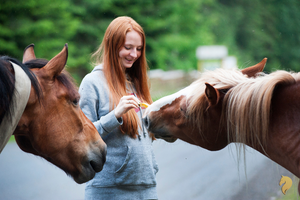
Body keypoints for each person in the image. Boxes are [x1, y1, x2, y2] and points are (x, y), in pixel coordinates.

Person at [79, 16, 159, 200]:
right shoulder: (92, 83)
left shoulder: (135, 83)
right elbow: (82, 139)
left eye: (138, 49)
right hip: (108, 189)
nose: (134, 54)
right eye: (128, 47)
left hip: (147, 186)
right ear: (112, 45)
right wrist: (114, 115)